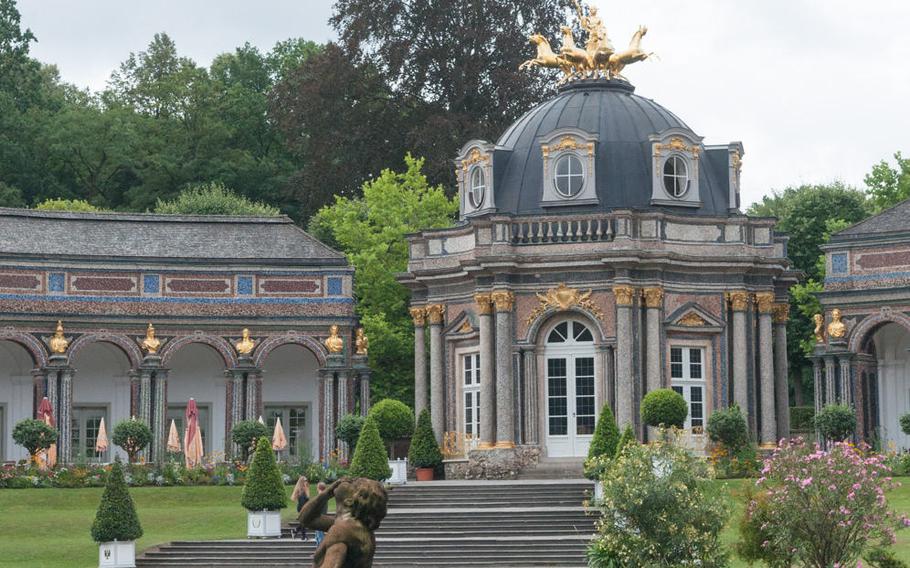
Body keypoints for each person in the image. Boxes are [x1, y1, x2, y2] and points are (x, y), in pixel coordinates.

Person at [298, 477, 389, 568]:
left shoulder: (341, 531)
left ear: (349, 501)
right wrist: (327, 493)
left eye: (353, 483)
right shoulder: (353, 526)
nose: (347, 480)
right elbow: (305, 519)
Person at [290, 476, 310, 541]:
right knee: (303, 522)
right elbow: (301, 502)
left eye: (306, 480)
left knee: (304, 522)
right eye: (305, 480)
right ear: (302, 482)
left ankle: (295, 531)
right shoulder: (300, 490)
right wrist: (303, 509)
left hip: (305, 507)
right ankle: (303, 536)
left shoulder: (306, 488)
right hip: (301, 508)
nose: (306, 481)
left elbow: (307, 500)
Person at [314, 481, 328, 546]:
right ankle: (318, 552)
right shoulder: (324, 496)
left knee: (320, 536)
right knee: (318, 536)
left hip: (319, 518)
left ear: (318, 488)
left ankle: (321, 552)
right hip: (320, 518)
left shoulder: (320, 496)